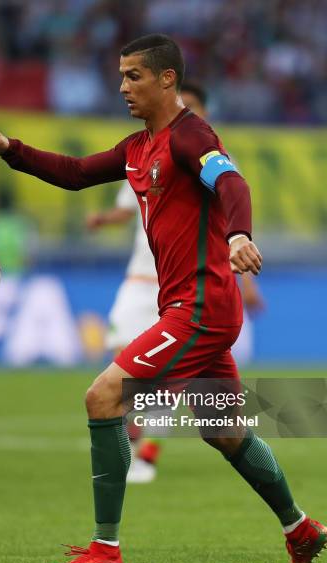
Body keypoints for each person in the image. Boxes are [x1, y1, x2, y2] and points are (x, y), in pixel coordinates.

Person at [0, 34, 327, 563]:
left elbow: (231, 182)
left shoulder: (190, 136)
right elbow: (76, 173)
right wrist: (10, 149)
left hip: (200, 307)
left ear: (167, 78)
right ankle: (300, 529)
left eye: (133, 75)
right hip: (188, 306)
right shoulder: (139, 148)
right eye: (120, 75)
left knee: (104, 395)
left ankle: (104, 550)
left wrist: (238, 235)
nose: (122, 86)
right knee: (223, 428)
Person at [86, 82, 265, 483]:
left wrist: (247, 278)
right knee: (121, 360)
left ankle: (147, 448)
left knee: (171, 382)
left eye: (197, 107)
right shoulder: (145, 152)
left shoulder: (211, 159)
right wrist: (102, 220)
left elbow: (232, 213)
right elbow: (119, 203)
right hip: (141, 281)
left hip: (193, 291)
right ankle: (136, 436)